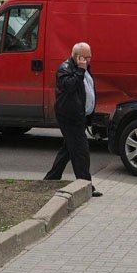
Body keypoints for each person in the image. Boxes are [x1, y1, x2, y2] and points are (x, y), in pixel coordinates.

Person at [44, 42, 102, 197]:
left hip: (80, 116)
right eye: (85, 57)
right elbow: (69, 86)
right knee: (81, 151)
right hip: (69, 117)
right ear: (76, 56)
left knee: (68, 149)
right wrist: (80, 71)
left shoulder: (83, 69)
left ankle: (51, 178)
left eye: (90, 57)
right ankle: (85, 185)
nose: (88, 60)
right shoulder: (65, 69)